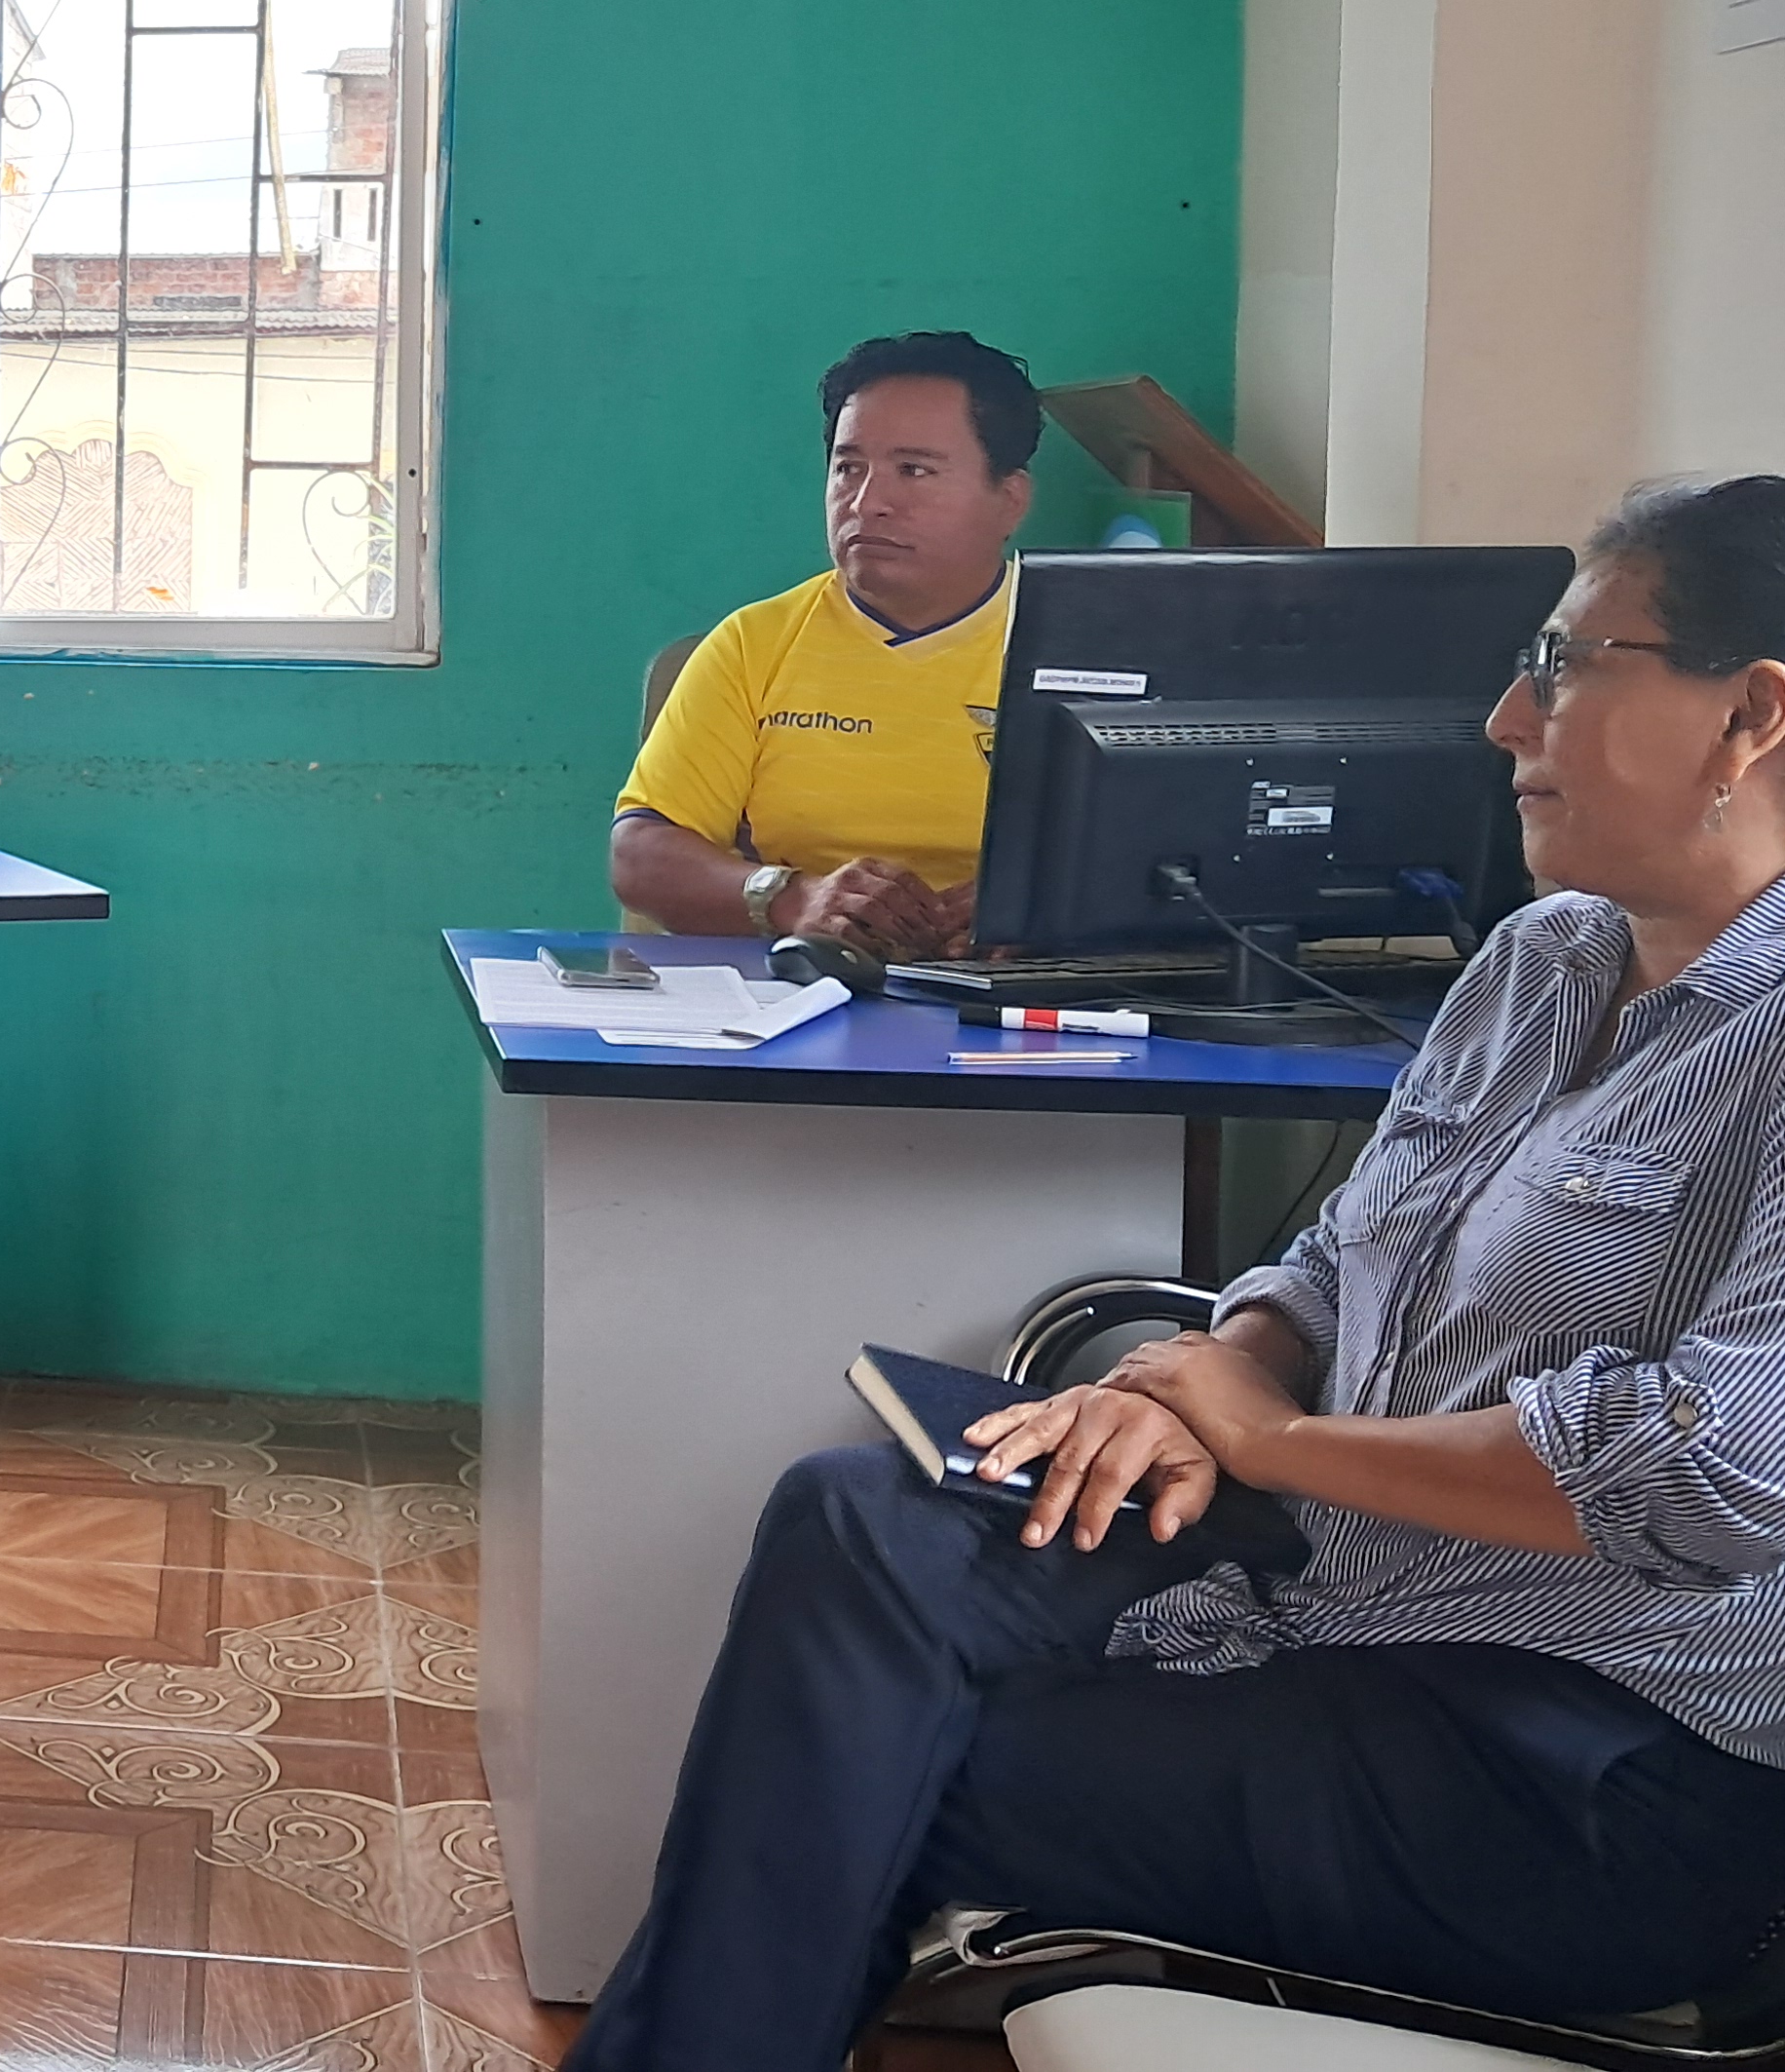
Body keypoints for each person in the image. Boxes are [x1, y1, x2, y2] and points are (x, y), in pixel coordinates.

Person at [568, 476, 1785, 2070]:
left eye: (1562, 667)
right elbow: (1346, 1250)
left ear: (1751, 715)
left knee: (875, 1758)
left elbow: (1716, 1470)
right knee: (858, 1517)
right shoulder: (1540, 959)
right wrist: (1211, 1376)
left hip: (1588, 1747)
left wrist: (1267, 1437)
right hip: (1334, 1561)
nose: (1505, 720)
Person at [610, 329, 1039, 958]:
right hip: (803, 986)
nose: (868, 502)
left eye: (914, 470)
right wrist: (791, 899)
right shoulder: (756, 645)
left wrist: (1047, 911)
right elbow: (640, 854)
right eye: (848, 468)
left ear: (1009, 499)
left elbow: (1178, 863)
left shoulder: (1092, 649)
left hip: (1022, 1000)